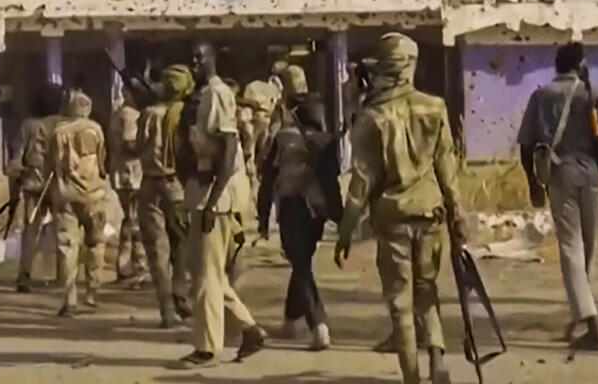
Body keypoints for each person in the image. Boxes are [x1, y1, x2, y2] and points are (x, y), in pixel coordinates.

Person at [336, 33, 467, 384]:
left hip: (392, 218)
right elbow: (447, 169)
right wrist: (458, 216)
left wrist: (346, 230)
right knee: (427, 291)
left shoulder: (372, 117)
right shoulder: (435, 107)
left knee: (400, 304)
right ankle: (437, 358)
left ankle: (412, 378)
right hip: (431, 214)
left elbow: (361, 181)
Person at [516, 41, 598, 351]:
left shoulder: (541, 96)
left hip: (560, 175)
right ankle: (585, 316)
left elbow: (526, 145)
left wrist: (534, 183)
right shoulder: (594, 93)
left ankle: (589, 321)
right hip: (592, 175)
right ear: (581, 64)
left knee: (570, 247)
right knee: (589, 246)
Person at [175, 41, 266, 369]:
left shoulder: (217, 94)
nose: (194, 64)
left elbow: (228, 150)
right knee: (207, 272)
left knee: (206, 278)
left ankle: (208, 349)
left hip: (217, 195)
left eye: (200, 58)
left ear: (212, 60)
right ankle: (250, 329)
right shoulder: (200, 98)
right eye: (192, 59)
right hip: (203, 191)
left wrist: (213, 203)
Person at [257, 87, 343, 351]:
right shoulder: (328, 141)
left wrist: (263, 216)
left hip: (291, 207)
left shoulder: (283, 138)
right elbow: (332, 182)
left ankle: (318, 325)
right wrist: (340, 217)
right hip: (316, 211)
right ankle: (290, 321)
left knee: (300, 265)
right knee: (301, 263)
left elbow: (268, 178)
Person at [137, 64, 195, 327]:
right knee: (181, 245)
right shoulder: (185, 114)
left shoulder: (148, 114)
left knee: (157, 251)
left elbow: (139, 147)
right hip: (178, 185)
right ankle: (181, 296)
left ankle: (167, 310)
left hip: (150, 184)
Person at [49, 90, 109, 317]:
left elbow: (52, 164)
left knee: (67, 246)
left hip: (66, 194)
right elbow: (102, 162)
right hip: (94, 194)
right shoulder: (96, 129)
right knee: (96, 243)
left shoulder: (58, 132)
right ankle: (92, 292)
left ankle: (69, 299)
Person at [10, 84, 64, 292]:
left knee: (31, 230)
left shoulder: (27, 126)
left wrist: (14, 190)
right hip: (60, 186)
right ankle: (63, 276)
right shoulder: (64, 125)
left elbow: (16, 161)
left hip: (33, 185)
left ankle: (24, 276)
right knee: (63, 229)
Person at [109, 79, 149, 284]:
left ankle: (124, 264)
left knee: (129, 219)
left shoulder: (119, 113)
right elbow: (130, 143)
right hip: (132, 175)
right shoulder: (130, 116)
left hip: (122, 173)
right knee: (136, 221)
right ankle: (139, 266)